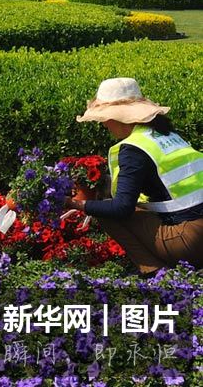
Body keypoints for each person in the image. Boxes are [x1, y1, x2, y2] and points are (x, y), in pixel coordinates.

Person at [63, 77, 203, 275]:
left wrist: (75, 204)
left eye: (105, 118)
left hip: (190, 241)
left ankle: (156, 273)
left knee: (107, 212)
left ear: (120, 117)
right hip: (196, 229)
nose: (104, 125)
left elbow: (121, 208)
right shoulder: (166, 134)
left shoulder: (134, 148)